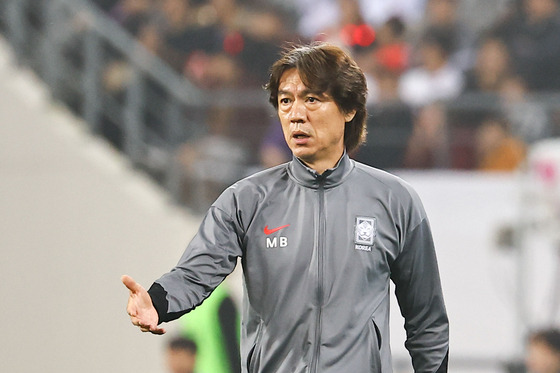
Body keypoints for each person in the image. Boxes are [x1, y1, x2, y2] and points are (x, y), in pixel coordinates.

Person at [122, 42, 449, 372]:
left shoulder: (395, 201)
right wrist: (158, 302)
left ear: (349, 108)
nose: (296, 114)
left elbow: (428, 323)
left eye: (311, 99)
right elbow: (195, 272)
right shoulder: (245, 200)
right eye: (285, 101)